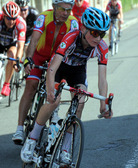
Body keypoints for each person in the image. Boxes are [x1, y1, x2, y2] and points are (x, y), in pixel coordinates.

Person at [21, 7, 113, 165]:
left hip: (77, 71)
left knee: (81, 101)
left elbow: (102, 79)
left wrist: (103, 104)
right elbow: (51, 68)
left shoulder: (102, 47)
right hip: (58, 68)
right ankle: (32, 138)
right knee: (54, 101)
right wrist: (51, 90)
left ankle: (64, 148)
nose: (98, 38)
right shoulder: (71, 37)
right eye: (95, 33)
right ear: (83, 28)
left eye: (102, 34)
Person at [12, 0, 79, 145]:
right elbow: (34, 40)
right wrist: (28, 59)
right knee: (31, 86)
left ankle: (53, 116)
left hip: (57, 59)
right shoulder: (44, 17)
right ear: (54, 7)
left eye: (69, 10)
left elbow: (73, 49)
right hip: (39, 55)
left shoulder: (73, 23)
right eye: (62, 9)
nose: (65, 13)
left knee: (56, 87)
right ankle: (19, 128)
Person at [0, 1, 26, 96]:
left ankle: (6, 84)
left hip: (11, 43)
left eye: (13, 18)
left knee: (12, 55)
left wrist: (17, 60)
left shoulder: (21, 23)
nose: (11, 21)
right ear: (4, 16)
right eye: (8, 18)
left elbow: (20, 46)